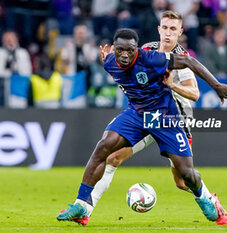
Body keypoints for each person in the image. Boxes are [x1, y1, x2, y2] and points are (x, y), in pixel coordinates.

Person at [57, 28, 227, 226]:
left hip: (163, 116)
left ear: (137, 49)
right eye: (120, 50)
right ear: (114, 49)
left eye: (130, 50)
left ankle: (205, 198)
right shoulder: (110, 62)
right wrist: (106, 60)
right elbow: (116, 68)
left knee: (186, 175)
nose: (125, 54)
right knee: (104, 147)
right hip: (136, 115)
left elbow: (189, 61)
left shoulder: (152, 59)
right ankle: (81, 204)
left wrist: (217, 86)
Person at [67, 10, 200, 226]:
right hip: (144, 116)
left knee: (182, 181)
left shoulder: (182, 59)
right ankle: (85, 210)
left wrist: (171, 85)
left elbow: (194, 94)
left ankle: (209, 199)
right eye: (165, 27)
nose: (168, 33)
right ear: (159, 29)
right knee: (112, 158)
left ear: (180, 32)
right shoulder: (145, 50)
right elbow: (127, 70)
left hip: (170, 120)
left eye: (173, 29)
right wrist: (111, 62)